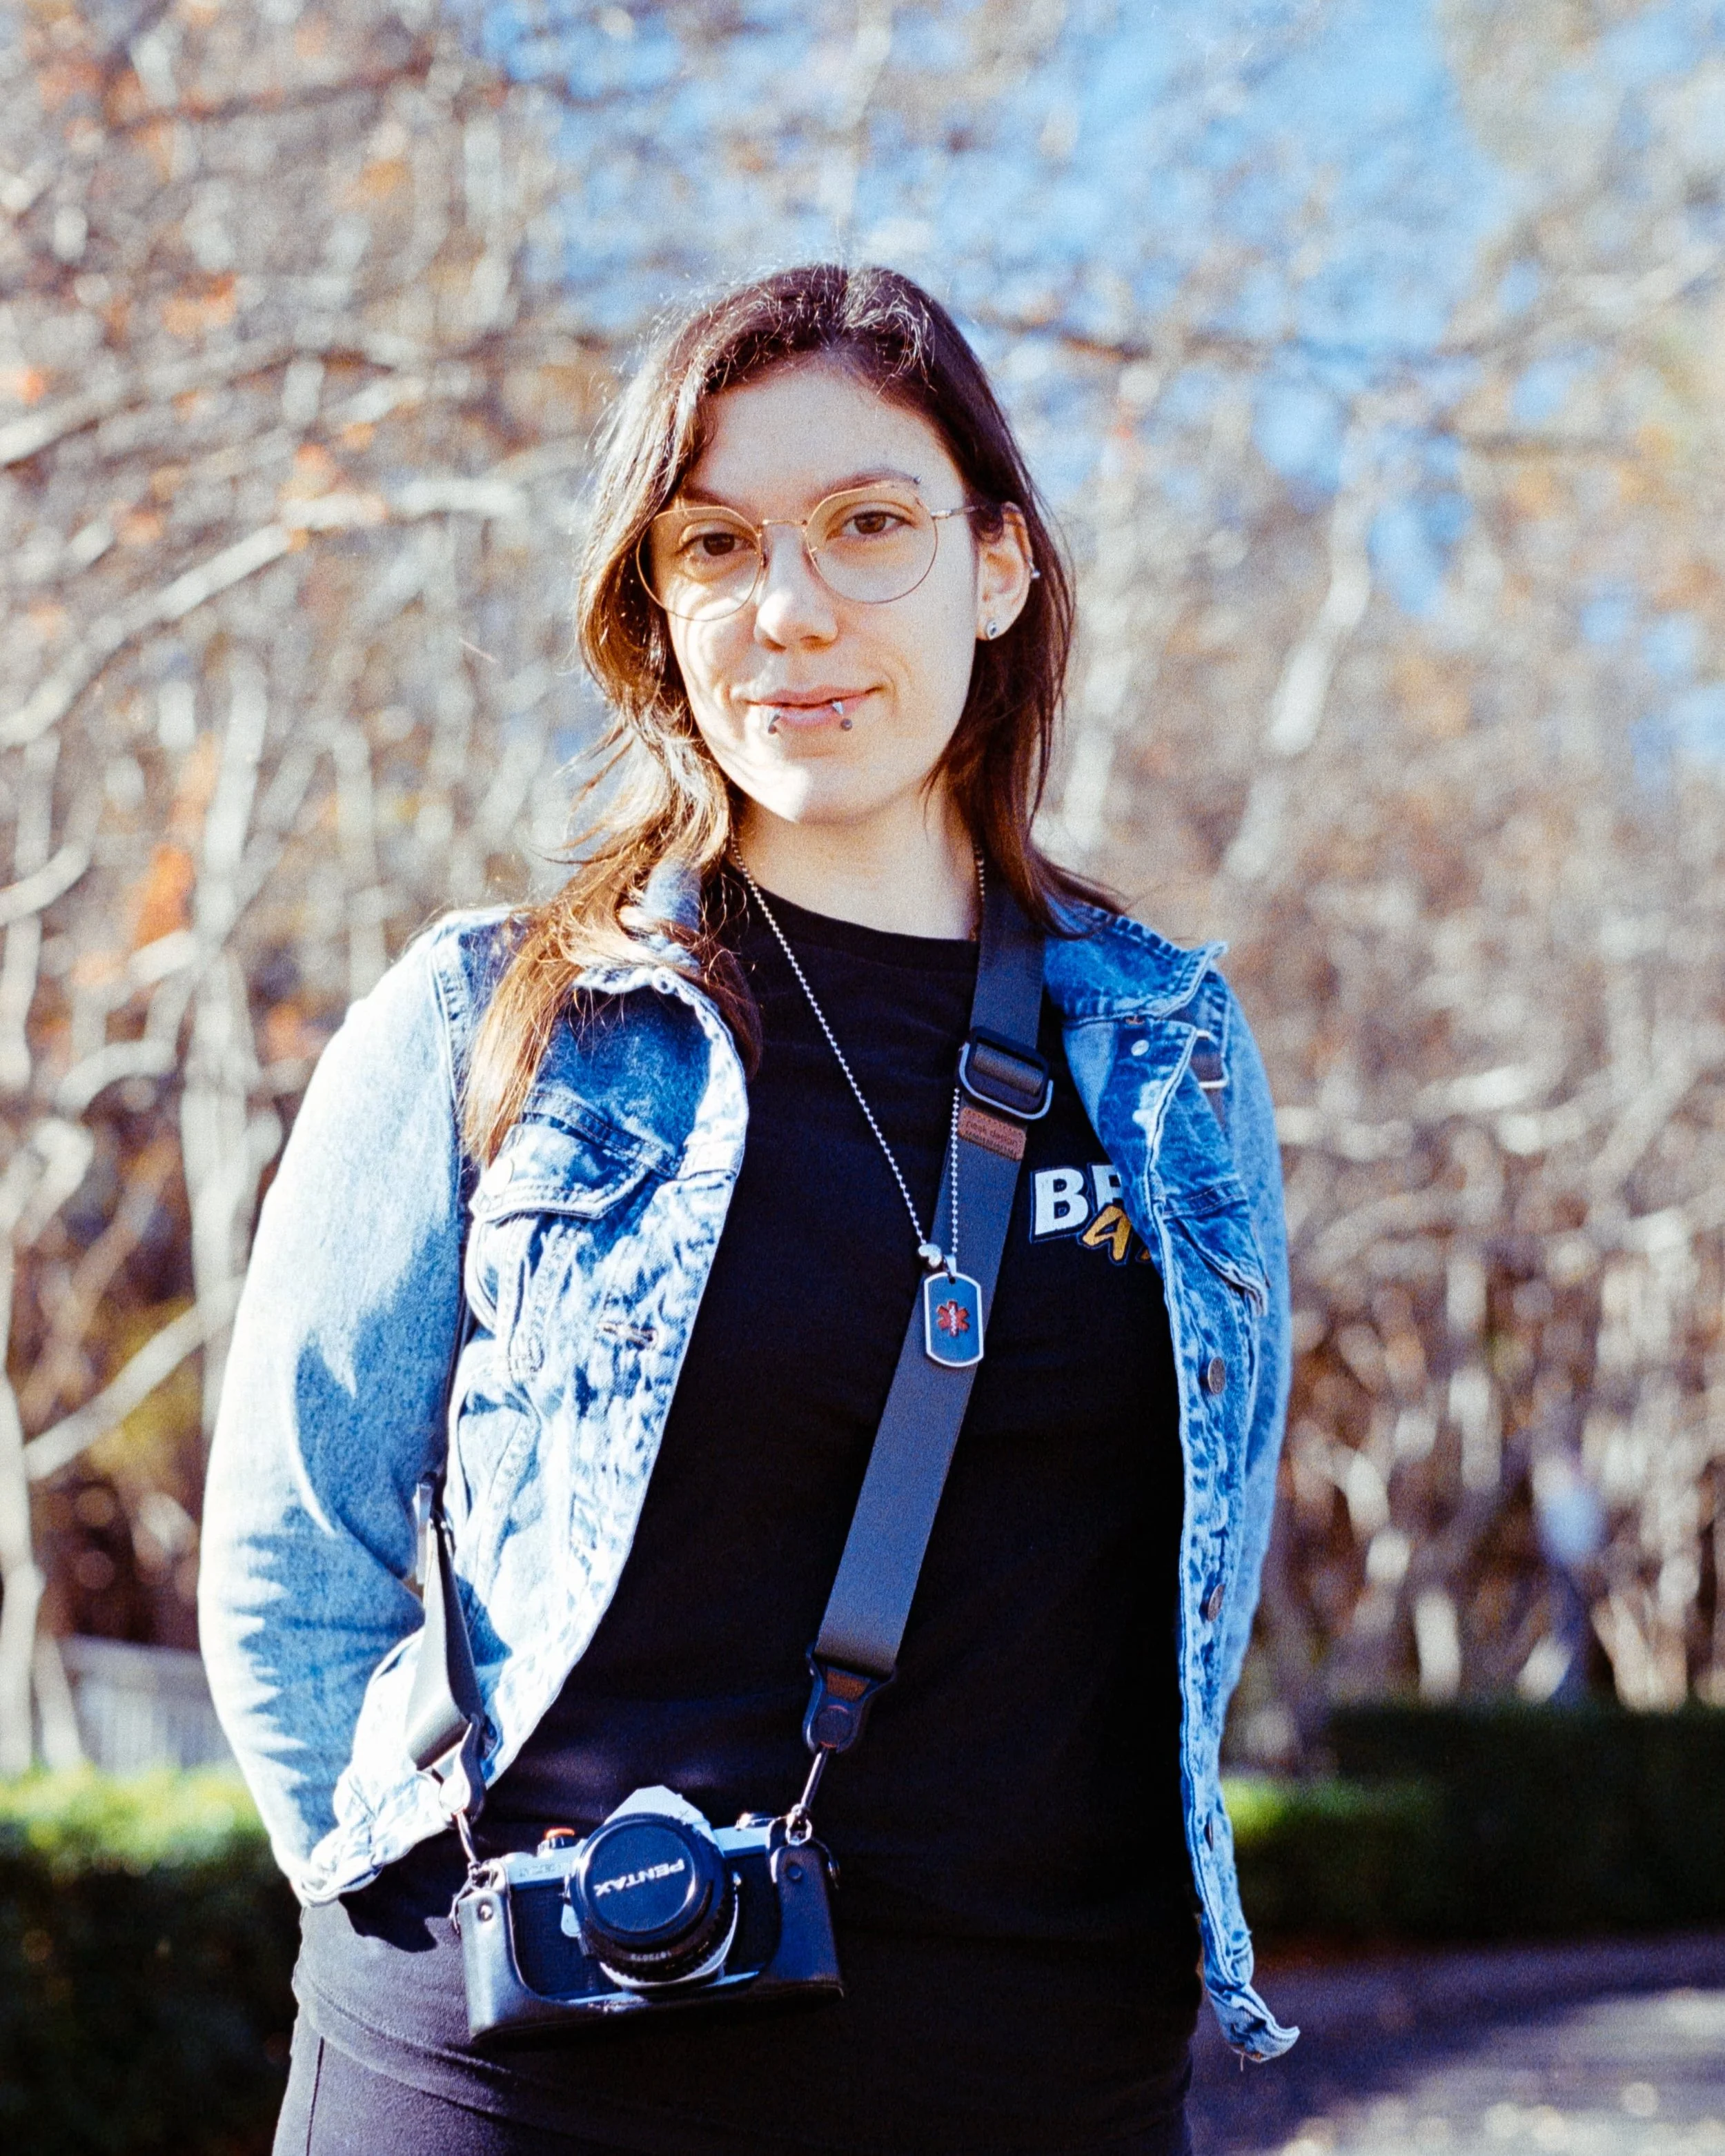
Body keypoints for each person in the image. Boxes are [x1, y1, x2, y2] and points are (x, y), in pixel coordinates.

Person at [201, 262, 1295, 2156]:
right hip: (514, 2078)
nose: (791, 609)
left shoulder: (1165, 1057)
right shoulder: (492, 1018)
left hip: (1036, 2084)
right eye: (714, 545)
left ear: (999, 567)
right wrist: (410, 1915)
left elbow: (1199, 1572)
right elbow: (292, 1561)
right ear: (656, 610)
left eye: (868, 525)